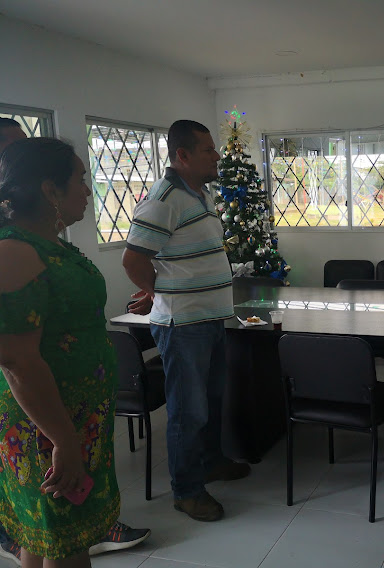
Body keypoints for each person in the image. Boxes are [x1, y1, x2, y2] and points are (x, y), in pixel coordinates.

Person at [0, 124, 150, 567]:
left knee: (49, 537)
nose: (87, 191)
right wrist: (62, 438)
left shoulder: (47, 245)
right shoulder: (15, 252)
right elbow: (16, 361)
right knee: (65, 542)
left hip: (73, 420)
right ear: (50, 190)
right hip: (47, 426)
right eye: (80, 180)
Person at [122, 119, 250, 523]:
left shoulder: (200, 193)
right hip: (183, 325)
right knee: (187, 411)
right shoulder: (163, 200)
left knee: (210, 402)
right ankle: (187, 491)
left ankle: (211, 462)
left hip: (210, 318)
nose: (217, 156)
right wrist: (159, 292)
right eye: (208, 150)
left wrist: (162, 287)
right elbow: (133, 260)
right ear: (183, 155)